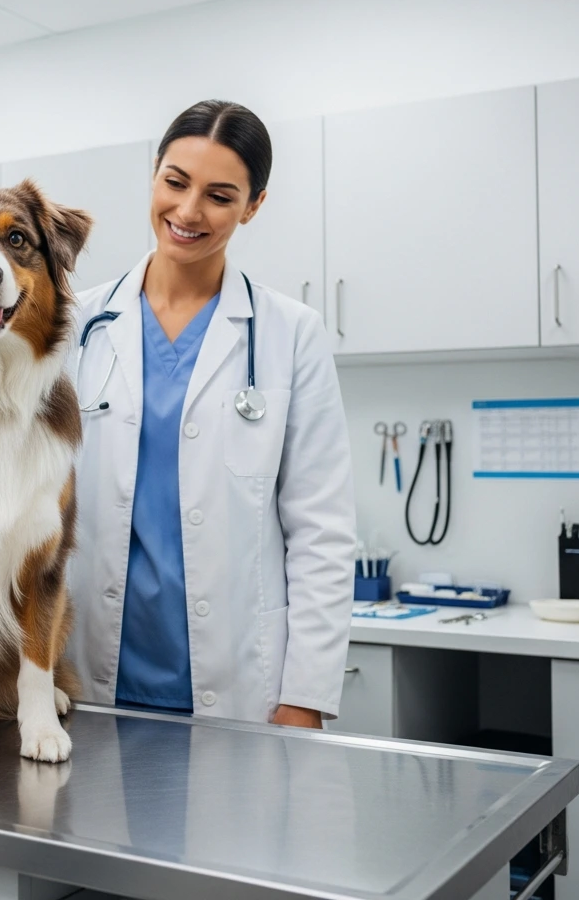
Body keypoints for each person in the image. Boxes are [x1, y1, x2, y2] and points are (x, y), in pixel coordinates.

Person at [69, 100, 357, 728]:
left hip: (238, 683)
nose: (188, 211)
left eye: (220, 196)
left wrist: (305, 696)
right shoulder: (74, 325)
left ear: (253, 206)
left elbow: (322, 531)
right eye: (175, 182)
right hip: (85, 673)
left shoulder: (291, 334)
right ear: (154, 173)